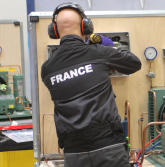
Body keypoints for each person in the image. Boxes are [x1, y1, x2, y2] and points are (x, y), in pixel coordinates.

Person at [41, 3, 141, 167]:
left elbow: (76, 82)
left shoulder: (47, 69)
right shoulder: (100, 52)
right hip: (109, 149)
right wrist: (106, 47)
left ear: (55, 30)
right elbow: (134, 64)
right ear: (85, 26)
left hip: (74, 155)